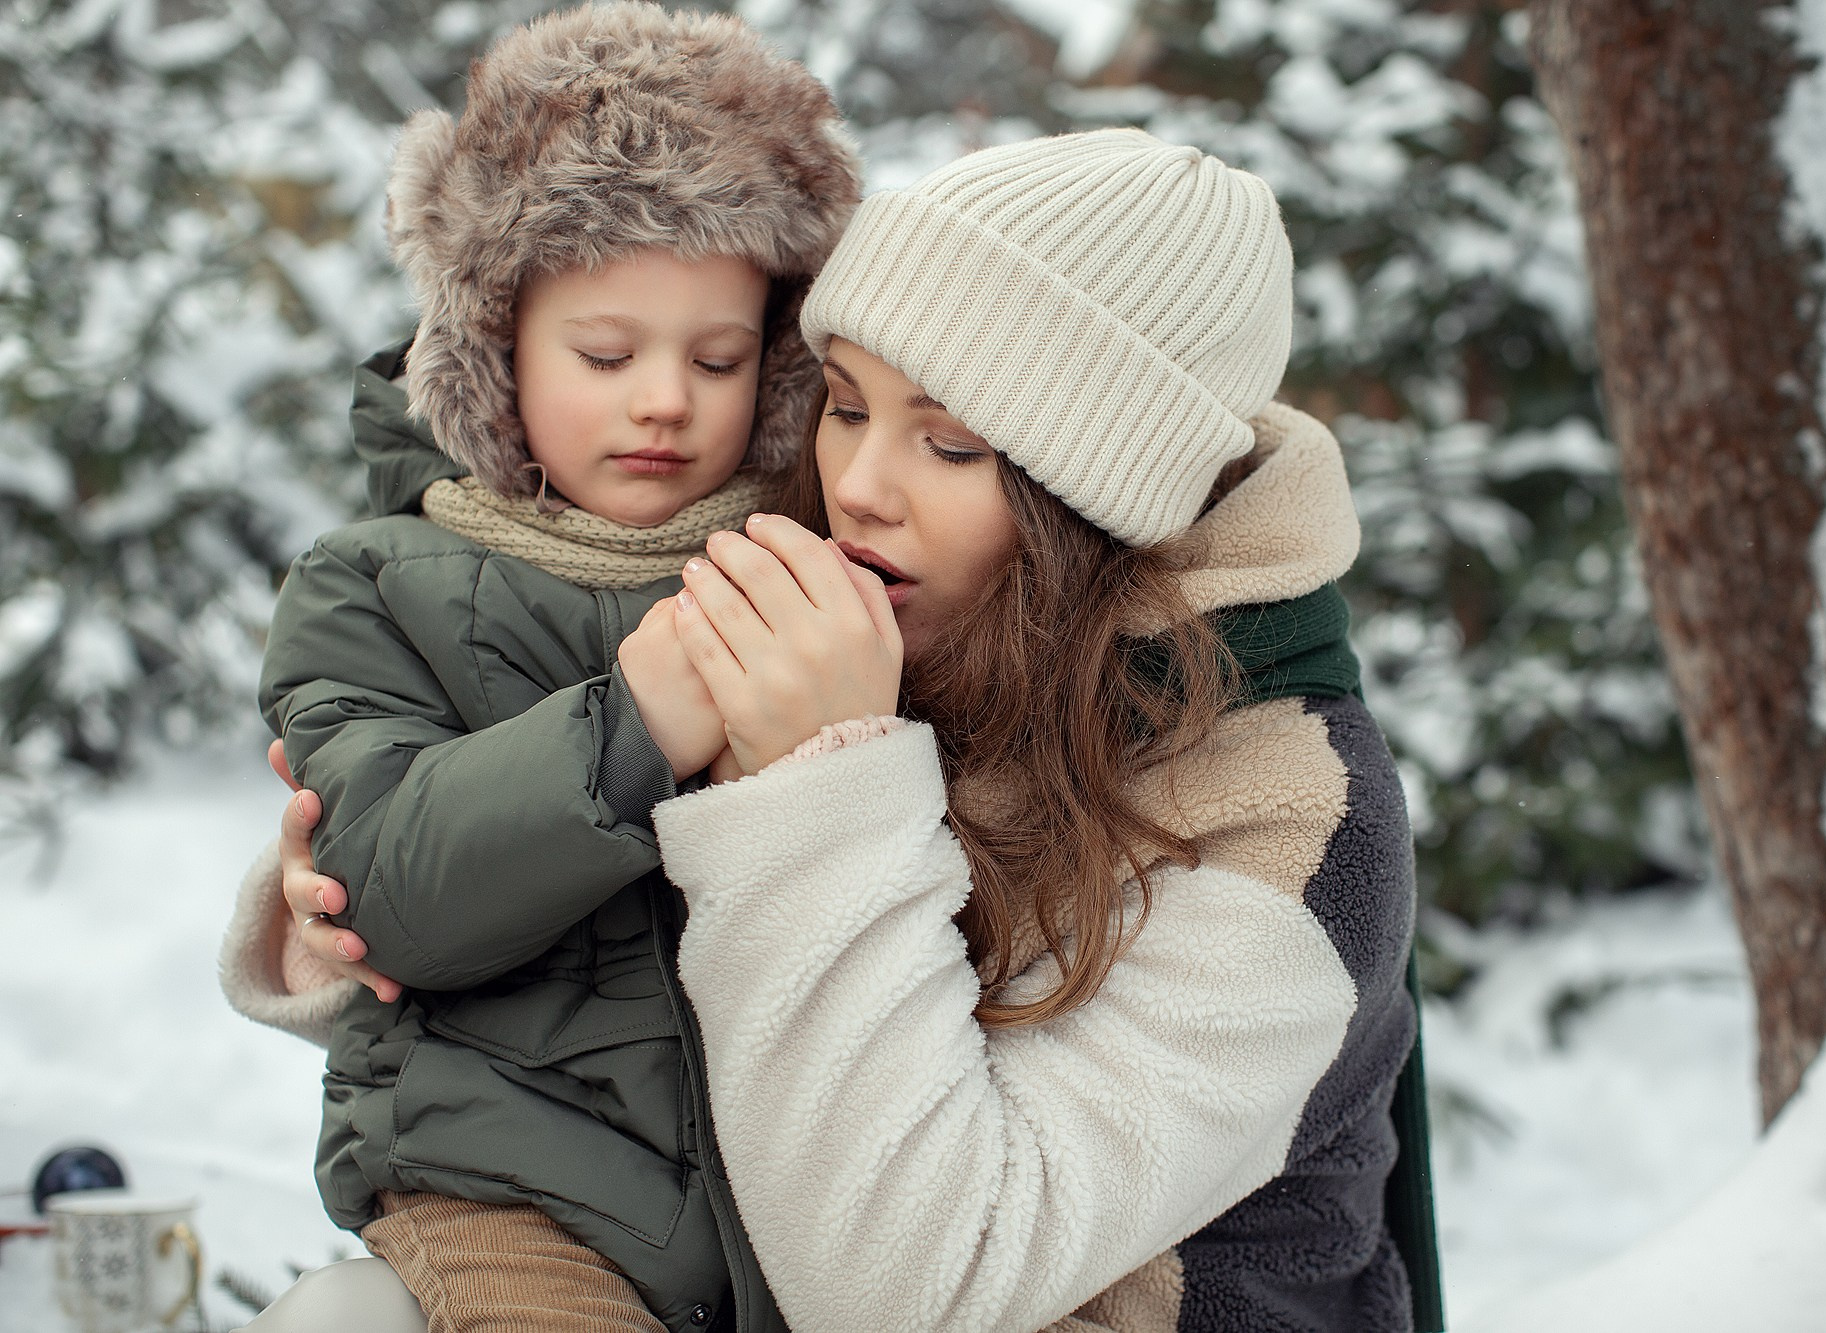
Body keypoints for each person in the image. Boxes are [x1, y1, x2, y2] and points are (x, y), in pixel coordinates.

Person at [227, 128, 1435, 1332]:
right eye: (847, 407)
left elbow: (908, 1283)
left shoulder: (1291, 824)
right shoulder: (937, 617)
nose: (857, 481)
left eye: (950, 442)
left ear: (1101, 494)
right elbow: (647, 956)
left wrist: (819, 780)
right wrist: (356, 894)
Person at [235, 6, 861, 1330]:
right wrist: (640, 723)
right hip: (507, 1184)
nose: (663, 402)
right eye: (604, 353)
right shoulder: (375, 583)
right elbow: (388, 889)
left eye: (719, 358)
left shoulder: (821, 571)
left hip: (794, 1215)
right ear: (493, 341)